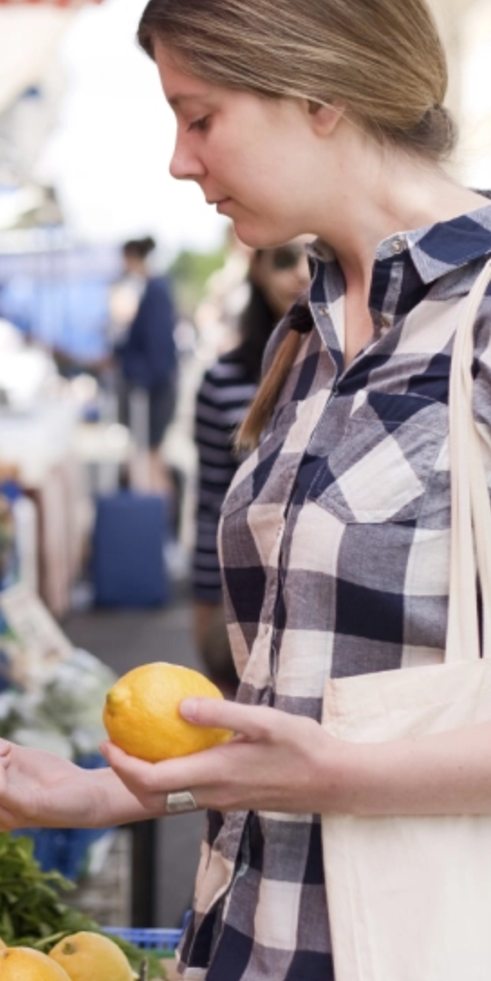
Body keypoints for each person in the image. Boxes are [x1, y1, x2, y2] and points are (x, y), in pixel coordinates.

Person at [0, 0, 491, 981]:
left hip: (419, 977)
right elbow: (292, 700)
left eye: (201, 116)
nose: (179, 162)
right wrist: (91, 788)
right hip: (236, 959)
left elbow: (326, 760)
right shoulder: (305, 335)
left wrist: (341, 779)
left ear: (318, 92)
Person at [192, 240, 310, 692]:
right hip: (247, 605)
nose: (301, 273)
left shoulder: (365, 366)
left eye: (313, 257)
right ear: (257, 269)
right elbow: (211, 504)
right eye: (282, 258)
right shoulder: (223, 379)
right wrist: (204, 604)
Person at [112, 236, 178, 495]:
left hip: (154, 390)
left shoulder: (155, 291)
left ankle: (160, 526)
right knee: (148, 458)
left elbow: (156, 349)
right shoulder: (152, 290)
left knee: (151, 458)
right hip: (154, 386)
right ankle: (159, 524)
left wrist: (138, 377)